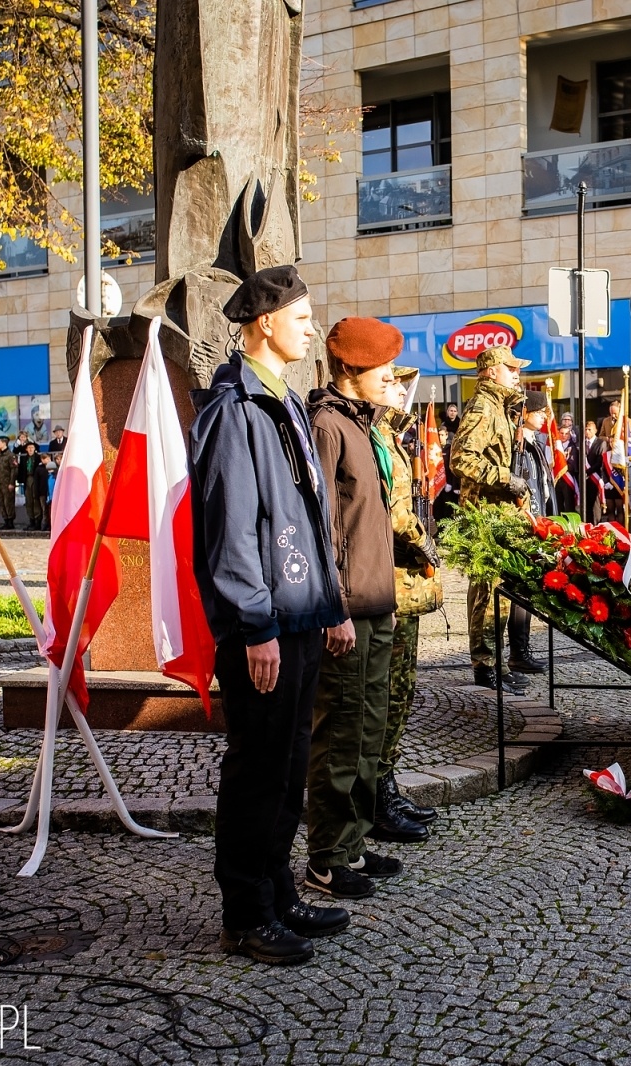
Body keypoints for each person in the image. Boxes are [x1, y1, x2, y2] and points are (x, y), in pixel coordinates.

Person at [188, 265, 350, 965]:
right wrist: (254, 626)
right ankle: (245, 914)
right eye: (301, 316)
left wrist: (331, 606)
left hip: (300, 617)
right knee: (256, 773)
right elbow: (232, 530)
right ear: (262, 324)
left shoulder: (283, 401)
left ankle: (278, 892)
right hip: (265, 629)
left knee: (288, 772)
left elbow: (307, 523)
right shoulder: (235, 409)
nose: (312, 328)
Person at [305, 316, 422, 897]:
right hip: (347, 607)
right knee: (340, 735)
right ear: (352, 369)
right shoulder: (328, 425)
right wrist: (334, 609)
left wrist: (388, 599)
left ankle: (352, 843)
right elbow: (321, 529)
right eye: (383, 368)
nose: (391, 378)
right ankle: (326, 856)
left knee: (369, 730)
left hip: (377, 602)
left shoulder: (363, 423)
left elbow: (372, 526)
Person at [380, 368, 442, 834]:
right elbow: (395, 515)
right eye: (396, 382)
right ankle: (379, 796)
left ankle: (386, 785)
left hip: (401, 584)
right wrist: (426, 545)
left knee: (400, 694)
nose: (404, 390)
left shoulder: (390, 434)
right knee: (387, 695)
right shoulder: (377, 434)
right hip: (389, 585)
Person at [450, 344, 530, 694]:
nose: (517, 373)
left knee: (501, 594)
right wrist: (505, 478)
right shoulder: (483, 405)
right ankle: (485, 667)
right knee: (486, 592)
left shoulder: (500, 406)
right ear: (491, 370)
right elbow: (461, 458)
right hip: (484, 514)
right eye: (511, 368)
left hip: (498, 514)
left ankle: (494, 663)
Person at [508, 389, 555, 672]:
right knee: (519, 592)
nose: (543, 417)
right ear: (525, 414)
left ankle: (522, 649)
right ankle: (518, 651)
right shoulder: (518, 446)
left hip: (539, 523)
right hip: (524, 524)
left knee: (527, 591)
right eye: (539, 412)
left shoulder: (535, 444)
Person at [19, 441, 49, 531]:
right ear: (26, 449)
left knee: (35, 500)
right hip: (27, 479)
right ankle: (31, 521)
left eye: (32, 447)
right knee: (29, 501)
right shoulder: (24, 458)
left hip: (35, 479)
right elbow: (21, 470)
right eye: (29, 448)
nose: (30, 449)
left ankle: (37, 521)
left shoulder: (38, 458)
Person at [0, 436, 18, 528]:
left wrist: (11, 483)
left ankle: (10, 521)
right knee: (1, 502)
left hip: (7, 483)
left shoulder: (11, 455)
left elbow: (14, 470)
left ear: (4, 443)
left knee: (8, 502)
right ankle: (5, 520)